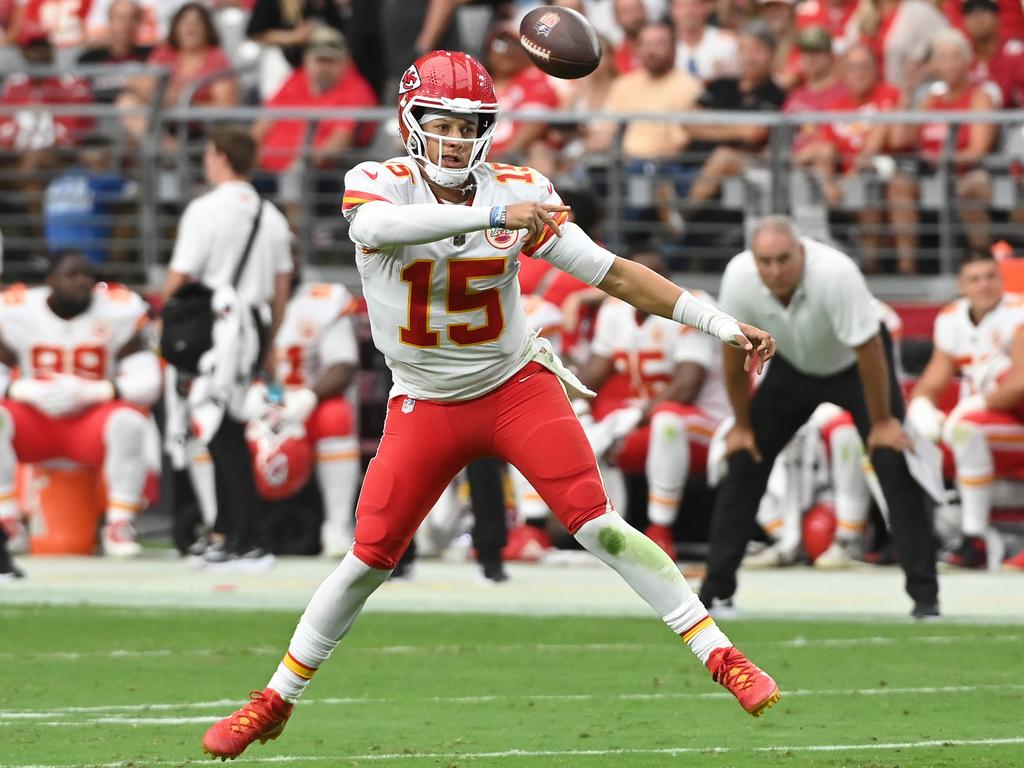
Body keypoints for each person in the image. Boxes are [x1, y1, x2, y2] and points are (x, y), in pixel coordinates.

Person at [201, 49, 781, 760]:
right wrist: (494, 213)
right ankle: (275, 699)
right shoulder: (379, 183)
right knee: (367, 559)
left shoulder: (519, 190)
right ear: (410, 123)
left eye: (470, 125)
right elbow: (375, 230)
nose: (454, 139)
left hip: (511, 386)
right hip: (424, 400)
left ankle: (722, 656)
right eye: (441, 123)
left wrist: (722, 324)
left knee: (596, 524)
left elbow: (614, 276)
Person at [698, 216, 939, 619]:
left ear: (801, 252)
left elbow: (870, 348)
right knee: (745, 457)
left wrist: (882, 423)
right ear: (754, 260)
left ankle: (925, 598)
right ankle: (715, 593)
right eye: (766, 262)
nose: (774, 271)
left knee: (891, 458)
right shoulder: (738, 276)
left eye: (783, 260)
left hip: (856, 368)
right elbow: (733, 350)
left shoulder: (836, 274)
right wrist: (741, 426)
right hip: (793, 368)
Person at [162, 126, 293, 565]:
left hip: (218, 329)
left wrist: (167, 309)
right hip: (254, 326)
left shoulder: (205, 209)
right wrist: (273, 343)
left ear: (218, 156)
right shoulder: (270, 214)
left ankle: (247, 537)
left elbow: (181, 274)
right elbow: (281, 286)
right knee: (228, 427)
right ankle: (226, 532)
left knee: (220, 431)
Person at [0, 251, 161, 557]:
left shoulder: (118, 311)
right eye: (71, 275)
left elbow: (149, 380)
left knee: (130, 422)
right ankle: (7, 521)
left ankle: (118, 523)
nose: (82, 282)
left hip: (90, 423)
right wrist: (23, 390)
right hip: (36, 422)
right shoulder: (17, 311)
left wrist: (97, 391)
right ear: (50, 281)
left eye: (87, 275)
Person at [574, 252, 731, 559]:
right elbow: (590, 377)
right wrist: (559, 383)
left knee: (667, 419)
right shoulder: (614, 310)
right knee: (579, 425)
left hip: (709, 423)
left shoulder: (694, 306)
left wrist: (634, 415)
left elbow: (686, 388)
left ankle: (660, 531)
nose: (639, 287)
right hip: (646, 420)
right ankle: (592, 530)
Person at [906, 252, 1024, 570]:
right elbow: (931, 382)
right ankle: (898, 534)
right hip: (982, 428)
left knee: (964, 428)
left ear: (1001, 279)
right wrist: (920, 408)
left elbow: (1020, 383)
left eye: (990, 276)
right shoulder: (951, 319)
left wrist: (973, 405)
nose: (984, 284)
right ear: (961, 285)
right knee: (902, 436)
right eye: (975, 278)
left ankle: (974, 538)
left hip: (1014, 423)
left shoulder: (1017, 313)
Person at [888, 28, 998, 273]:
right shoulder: (929, 98)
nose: (948, 64)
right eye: (942, 57)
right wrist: (907, 92)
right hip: (929, 173)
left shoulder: (979, 97)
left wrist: (944, 159)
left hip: (966, 172)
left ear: (967, 61)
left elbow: (977, 151)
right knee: (899, 185)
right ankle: (907, 268)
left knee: (970, 187)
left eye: (954, 56)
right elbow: (898, 139)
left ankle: (982, 263)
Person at [255, 28, 377, 177]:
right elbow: (262, 126)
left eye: (331, 61)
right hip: (265, 170)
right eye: (320, 60)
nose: (324, 68)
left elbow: (339, 143)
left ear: (346, 62)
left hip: (317, 177)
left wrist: (299, 167)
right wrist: (249, 157)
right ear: (307, 60)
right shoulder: (296, 79)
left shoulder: (356, 90)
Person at [77, 0, 153, 104]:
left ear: (139, 22)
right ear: (110, 20)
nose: (126, 23)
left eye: (132, 17)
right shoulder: (88, 59)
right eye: (120, 18)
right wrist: (128, 82)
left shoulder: (150, 56)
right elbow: (80, 92)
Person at [669, 0, 738, 80]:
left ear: (706, 8)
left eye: (694, 5)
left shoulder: (726, 42)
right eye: (682, 6)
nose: (688, 12)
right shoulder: (663, 47)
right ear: (672, 10)